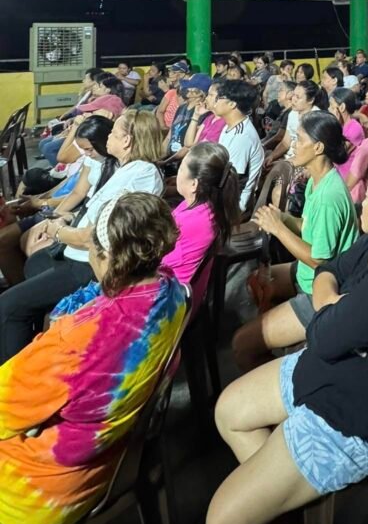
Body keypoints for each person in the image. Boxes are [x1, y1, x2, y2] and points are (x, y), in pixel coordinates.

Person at [208, 164, 368, 524]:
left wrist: (330, 309)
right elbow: (329, 269)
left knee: (220, 520)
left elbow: (322, 338)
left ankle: (281, 494)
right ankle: (284, 504)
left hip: (353, 419)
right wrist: (331, 303)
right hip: (328, 371)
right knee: (228, 412)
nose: (360, 203)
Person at [0, 192, 187, 524]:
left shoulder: (75, 343)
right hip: (108, 456)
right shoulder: (171, 291)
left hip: (39, 490)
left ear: (107, 257)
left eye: (90, 248)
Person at [0, 111, 165, 362]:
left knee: (8, 306)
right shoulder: (126, 168)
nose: (108, 138)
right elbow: (90, 209)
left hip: (90, 265)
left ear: (127, 141)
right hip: (77, 254)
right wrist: (64, 219)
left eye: (113, 133)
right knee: (34, 265)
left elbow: (94, 236)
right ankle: (33, 348)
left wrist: (57, 231)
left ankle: (15, 376)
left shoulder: (141, 174)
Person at [233, 113, 359, 372]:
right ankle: (282, 341)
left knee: (240, 345)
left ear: (318, 147)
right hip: (309, 275)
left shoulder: (328, 197)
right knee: (257, 281)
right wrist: (284, 219)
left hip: (321, 290)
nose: (294, 145)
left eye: (299, 140)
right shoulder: (317, 180)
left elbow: (319, 260)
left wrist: (278, 229)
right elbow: (308, 227)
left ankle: (283, 377)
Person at [0, 116, 114, 287]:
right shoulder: (92, 159)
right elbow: (77, 191)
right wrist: (50, 215)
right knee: (12, 240)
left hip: (76, 214)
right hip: (63, 209)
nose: (85, 154)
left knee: (30, 245)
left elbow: (87, 203)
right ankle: (19, 286)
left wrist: (45, 208)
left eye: (89, 149)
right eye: (83, 149)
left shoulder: (115, 167)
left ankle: (29, 288)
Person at [165, 142, 241, 312]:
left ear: (194, 184)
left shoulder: (192, 222)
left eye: (181, 169)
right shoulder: (207, 205)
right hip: (183, 292)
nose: (177, 174)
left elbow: (156, 261)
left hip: (173, 304)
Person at [210, 80, 265, 212]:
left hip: (234, 204)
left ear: (232, 104)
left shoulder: (242, 136)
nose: (215, 102)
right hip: (223, 194)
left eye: (219, 97)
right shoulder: (230, 127)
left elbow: (234, 181)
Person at [269, 81, 327, 165]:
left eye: (298, 97)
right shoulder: (292, 114)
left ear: (311, 100)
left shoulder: (316, 118)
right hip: (288, 158)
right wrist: (272, 157)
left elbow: (310, 154)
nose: (293, 100)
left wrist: (283, 163)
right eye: (293, 95)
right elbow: (285, 142)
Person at [155, 60, 189, 129]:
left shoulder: (189, 94)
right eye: (169, 72)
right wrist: (163, 127)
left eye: (174, 72)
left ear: (182, 75)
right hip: (165, 128)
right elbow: (159, 112)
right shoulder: (171, 92)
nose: (170, 74)